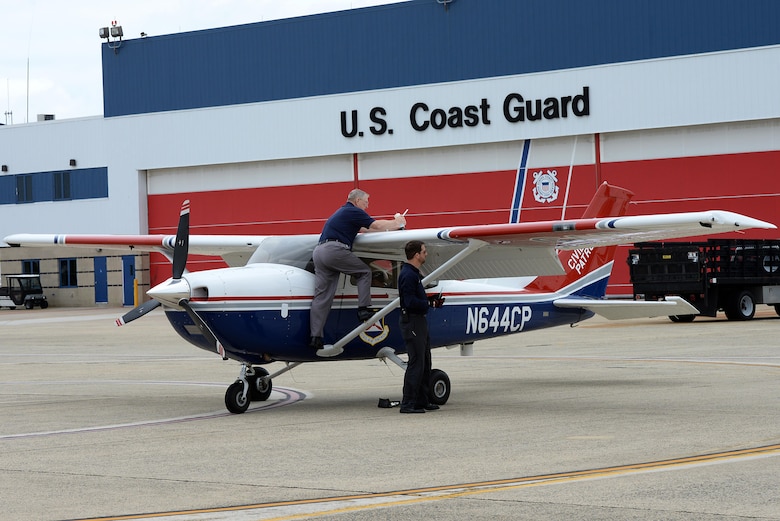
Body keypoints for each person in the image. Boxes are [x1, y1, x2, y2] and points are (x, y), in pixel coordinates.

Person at [309, 189, 406, 350]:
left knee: (322, 297)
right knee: (364, 272)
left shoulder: (342, 213)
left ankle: (315, 337)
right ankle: (363, 310)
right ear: (358, 200)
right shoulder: (353, 211)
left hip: (319, 252)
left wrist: (395, 228)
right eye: (366, 201)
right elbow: (376, 224)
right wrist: (398, 221)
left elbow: (367, 229)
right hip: (335, 250)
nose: (368, 205)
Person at [398, 240, 444, 414]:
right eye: (424, 251)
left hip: (418, 321)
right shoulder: (408, 275)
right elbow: (409, 302)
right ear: (417, 255)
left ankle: (422, 401)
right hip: (412, 321)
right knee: (416, 362)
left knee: (425, 361)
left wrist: (430, 302)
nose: (426, 254)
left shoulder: (413, 274)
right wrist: (427, 303)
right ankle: (408, 403)